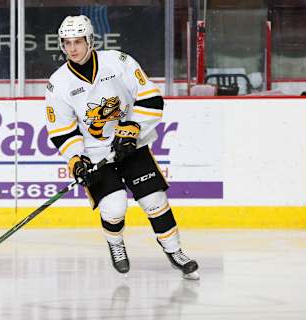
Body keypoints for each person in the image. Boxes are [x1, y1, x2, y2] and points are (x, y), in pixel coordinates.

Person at [44, 15, 199, 280]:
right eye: (67, 43)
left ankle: (175, 251)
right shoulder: (58, 83)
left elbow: (150, 98)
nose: (72, 49)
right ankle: (116, 244)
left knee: (154, 201)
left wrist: (133, 129)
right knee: (114, 208)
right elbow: (62, 130)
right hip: (94, 154)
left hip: (130, 144)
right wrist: (76, 161)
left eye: (78, 41)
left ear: (90, 40)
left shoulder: (118, 61)